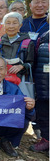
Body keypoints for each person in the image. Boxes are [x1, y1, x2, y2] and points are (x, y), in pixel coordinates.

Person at [0, 12, 34, 80]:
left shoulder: (27, 42)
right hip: (0, 77)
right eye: (8, 23)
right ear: (4, 25)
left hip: (20, 79)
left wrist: (21, 66)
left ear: (20, 25)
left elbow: (31, 63)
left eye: (15, 23)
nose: (11, 26)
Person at [29, 19, 49, 153]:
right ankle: (46, 140)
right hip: (43, 83)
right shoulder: (44, 36)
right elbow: (35, 58)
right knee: (43, 113)